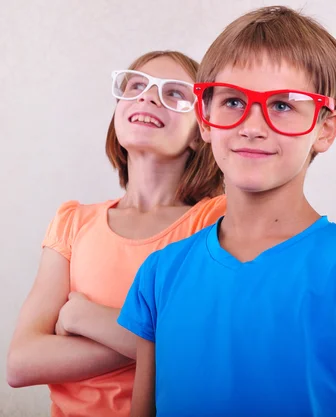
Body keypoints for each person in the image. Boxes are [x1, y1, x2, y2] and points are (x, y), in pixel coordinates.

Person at [118, 6, 336, 417]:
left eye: (282, 106)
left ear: (325, 129)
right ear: (204, 118)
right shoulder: (160, 272)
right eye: (232, 101)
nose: (252, 126)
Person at [7, 50, 226, 417]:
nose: (148, 96)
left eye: (173, 93)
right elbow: (21, 362)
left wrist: (82, 319)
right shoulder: (72, 221)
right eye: (137, 85)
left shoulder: (215, 221)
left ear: (199, 133)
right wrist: (152, 342)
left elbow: (209, 349)